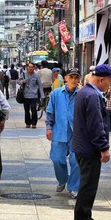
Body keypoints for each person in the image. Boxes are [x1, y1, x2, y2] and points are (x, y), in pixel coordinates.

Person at [72, 64, 111, 220]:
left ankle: (85, 217)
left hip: (82, 146)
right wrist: (104, 147)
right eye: (110, 81)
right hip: (88, 148)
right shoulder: (92, 95)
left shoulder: (84, 92)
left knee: (87, 184)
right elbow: (96, 125)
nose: (110, 85)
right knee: (88, 185)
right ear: (101, 80)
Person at [46, 68, 81, 198]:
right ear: (65, 78)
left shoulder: (82, 94)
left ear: (79, 79)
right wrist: (49, 127)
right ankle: (62, 180)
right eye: (71, 77)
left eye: (76, 77)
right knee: (56, 159)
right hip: (59, 131)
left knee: (76, 162)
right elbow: (50, 112)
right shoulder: (56, 93)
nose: (73, 80)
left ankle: (73, 187)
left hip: (77, 133)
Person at [22, 63, 44, 129]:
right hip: (25, 95)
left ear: (34, 68)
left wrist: (42, 95)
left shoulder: (36, 76)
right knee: (26, 110)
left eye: (32, 67)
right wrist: (22, 81)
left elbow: (40, 86)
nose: (31, 68)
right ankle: (28, 123)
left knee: (34, 110)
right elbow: (18, 81)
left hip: (34, 96)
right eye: (29, 67)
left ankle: (34, 123)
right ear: (27, 67)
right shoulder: (23, 74)